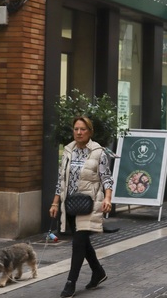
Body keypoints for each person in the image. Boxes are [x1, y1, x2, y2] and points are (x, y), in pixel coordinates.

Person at [49, 116, 113, 298]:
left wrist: (108, 198)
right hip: (70, 203)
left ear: (90, 132)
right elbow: (61, 180)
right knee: (83, 242)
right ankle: (98, 272)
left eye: (82, 129)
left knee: (78, 242)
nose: (78, 132)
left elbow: (106, 178)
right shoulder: (68, 151)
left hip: (89, 204)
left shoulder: (98, 152)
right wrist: (55, 202)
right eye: (76, 129)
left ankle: (70, 283)